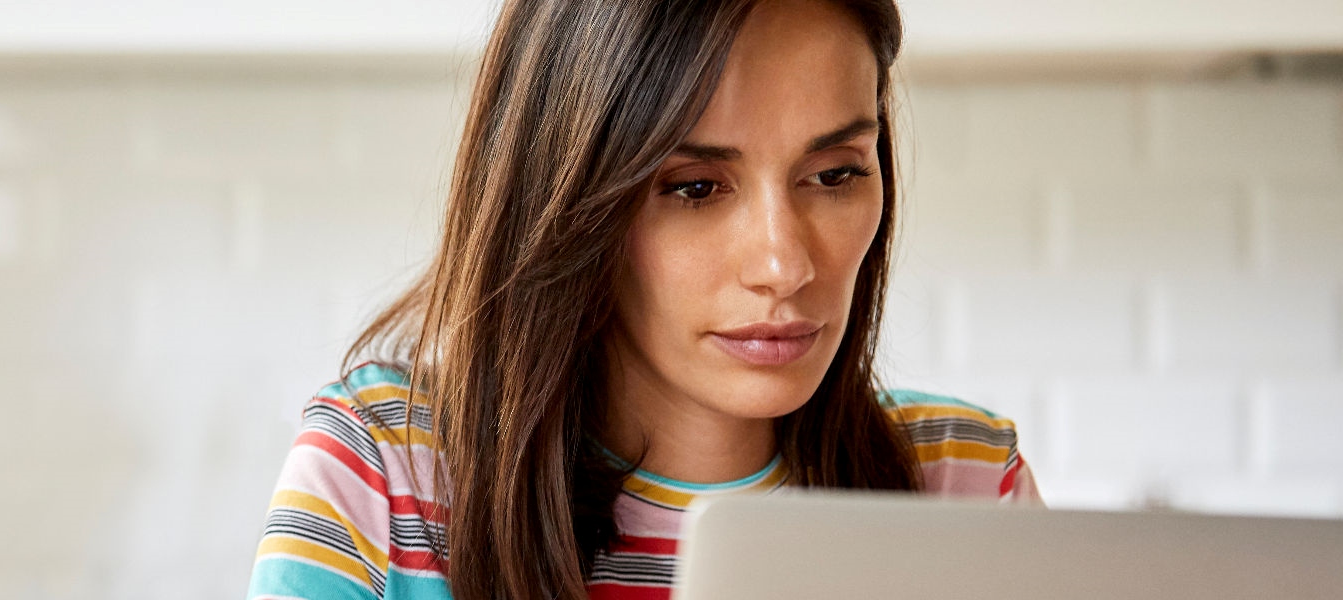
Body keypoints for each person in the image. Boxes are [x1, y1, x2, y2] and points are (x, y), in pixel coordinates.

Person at [247, 0, 1043, 598]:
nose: (784, 262)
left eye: (835, 175)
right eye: (694, 187)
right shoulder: (389, 479)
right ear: (568, 203)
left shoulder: (963, 483)